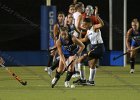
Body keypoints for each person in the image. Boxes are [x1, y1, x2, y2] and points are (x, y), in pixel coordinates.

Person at [73, 14, 105, 86]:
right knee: (91, 64)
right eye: (83, 24)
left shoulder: (94, 27)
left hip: (98, 47)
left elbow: (102, 24)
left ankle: (83, 79)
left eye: (84, 24)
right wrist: (75, 40)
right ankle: (90, 81)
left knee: (80, 60)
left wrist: (97, 17)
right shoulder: (88, 31)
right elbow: (84, 39)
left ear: (89, 23)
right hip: (95, 48)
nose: (83, 26)